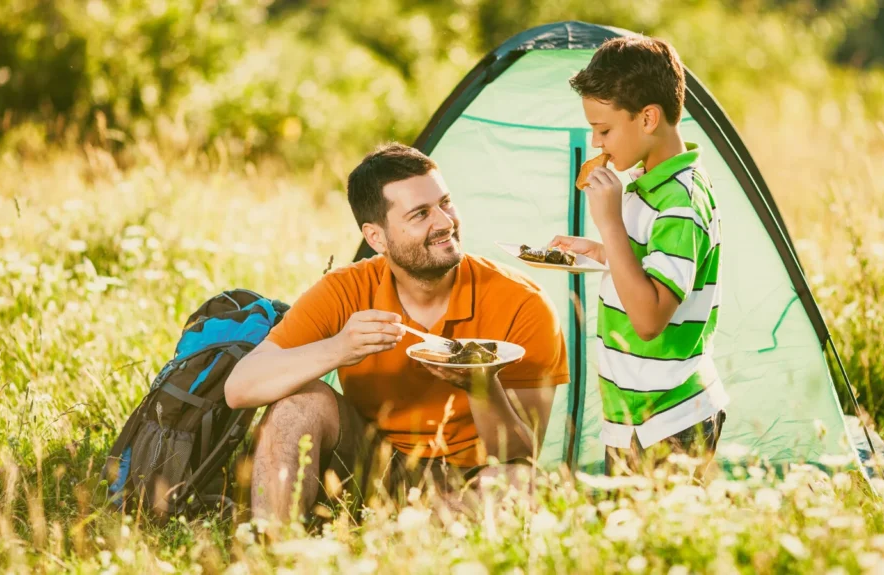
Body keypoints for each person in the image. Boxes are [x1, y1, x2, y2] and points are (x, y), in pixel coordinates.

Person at [224, 142, 570, 522]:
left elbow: (521, 451)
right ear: (376, 238)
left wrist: (481, 387)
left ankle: (424, 536)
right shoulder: (346, 290)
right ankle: (273, 550)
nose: (444, 222)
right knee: (296, 405)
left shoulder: (522, 302)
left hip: (474, 474)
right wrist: (337, 349)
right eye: (421, 214)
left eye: (446, 202)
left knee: (519, 482)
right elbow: (239, 388)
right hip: (372, 466)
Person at [550, 35, 728, 477]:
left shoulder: (682, 203)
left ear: (648, 117)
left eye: (604, 129)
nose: (596, 143)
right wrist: (600, 250)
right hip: (630, 416)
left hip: (670, 421)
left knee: (662, 544)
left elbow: (649, 321)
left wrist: (609, 225)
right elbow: (646, 267)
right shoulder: (645, 182)